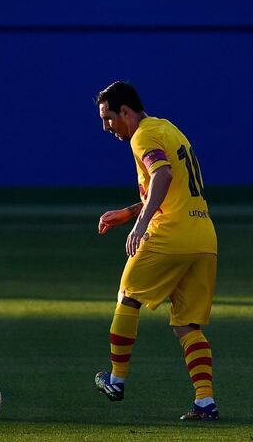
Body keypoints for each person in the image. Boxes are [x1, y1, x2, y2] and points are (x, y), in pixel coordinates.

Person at [92, 80, 219, 421]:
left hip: (169, 235)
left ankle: (116, 381)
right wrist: (131, 212)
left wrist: (141, 224)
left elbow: (161, 177)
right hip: (203, 237)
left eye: (108, 118)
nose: (106, 126)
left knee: (128, 296)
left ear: (126, 112)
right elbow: (172, 184)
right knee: (187, 325)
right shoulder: (169, 129)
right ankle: (205, 402)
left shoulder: (142, 136)